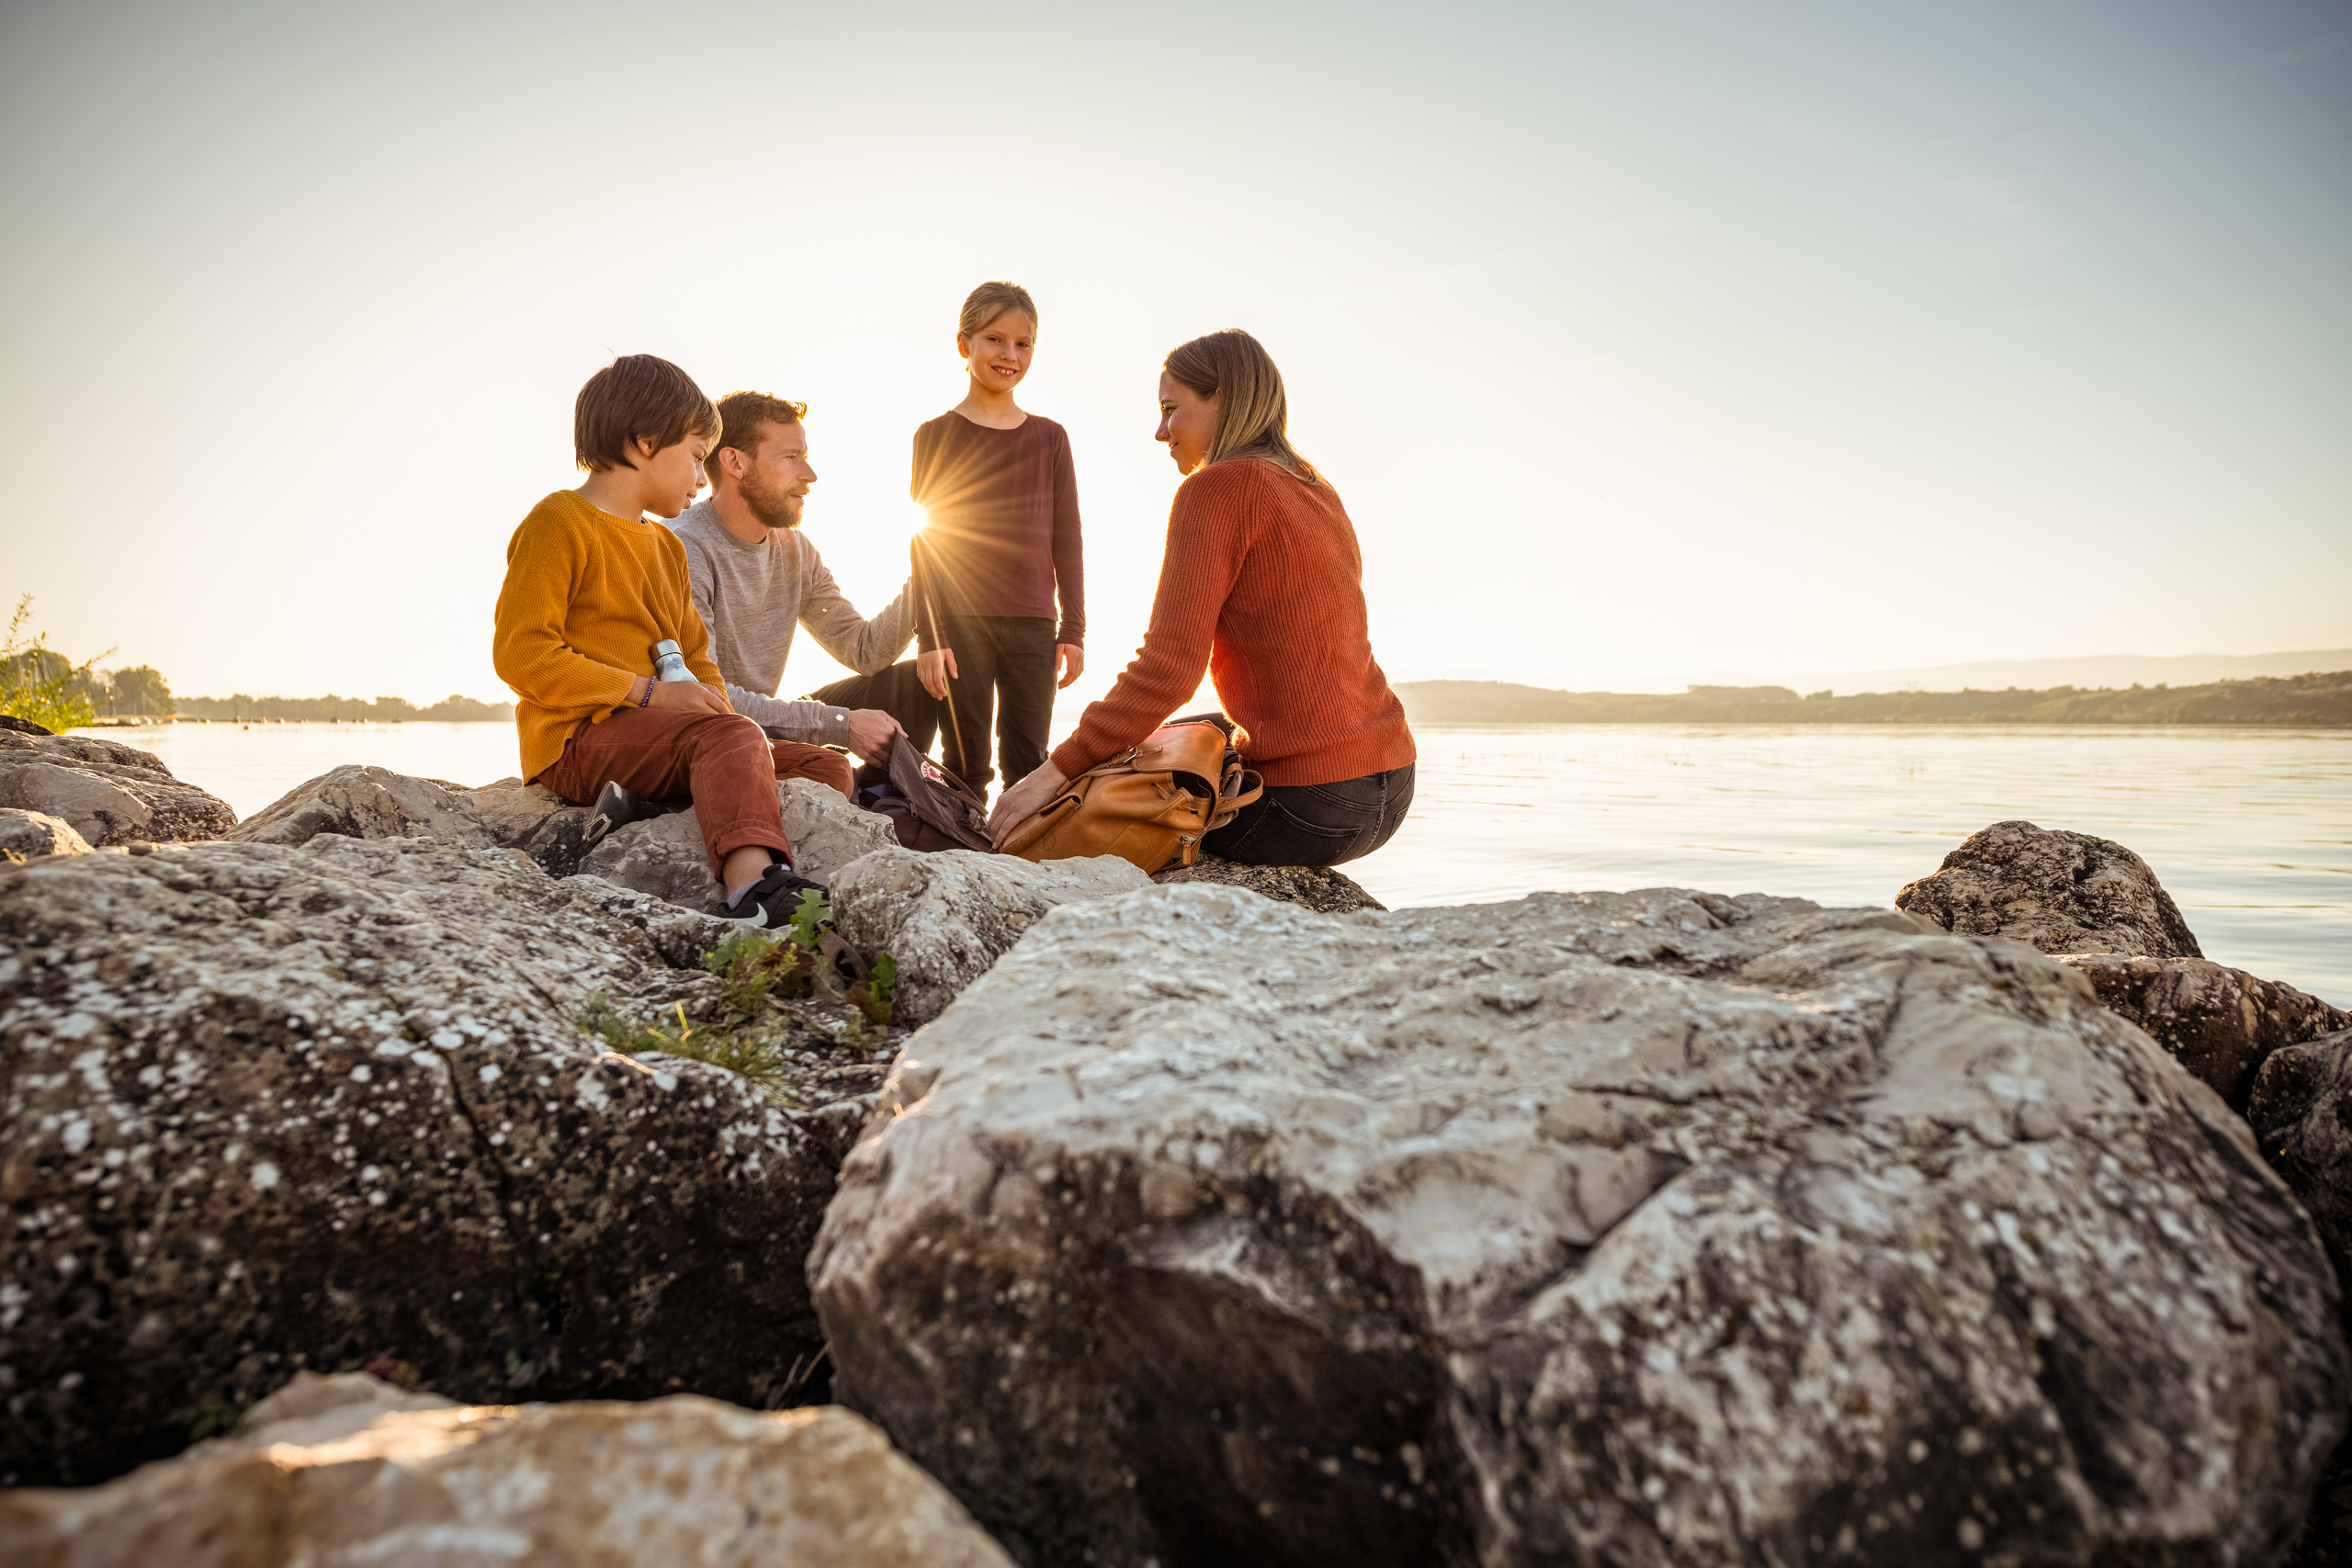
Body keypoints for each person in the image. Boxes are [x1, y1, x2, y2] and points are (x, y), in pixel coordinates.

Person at [987, 329, 1415, 867]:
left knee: (1108, 812)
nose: (1160, 431)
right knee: (1192, 732)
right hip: (1393, 784)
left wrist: (1052, 773)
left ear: (1225, 400)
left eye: (1171, 409)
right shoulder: (1315, 489)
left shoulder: (1215, 488)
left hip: (1314, 808)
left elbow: (1168, 669)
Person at [491, 354, 851, 928]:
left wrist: (724, 717)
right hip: (579, 739)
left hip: (659, 738)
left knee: (824, 768)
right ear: (644, 442)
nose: (703, 479)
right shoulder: (559, 521)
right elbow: (523, 655)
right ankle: (752, 890)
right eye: (696, 458)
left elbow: (697, 657)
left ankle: (651, 808)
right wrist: (652, 696)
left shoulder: (665, 548)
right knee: (729, 740)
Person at [668, 389, 934, 789]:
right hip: (716, 732)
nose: (810, 475)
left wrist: (929, 578)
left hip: (767, 725)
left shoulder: (795, 550)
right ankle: (845, 791)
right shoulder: (686, 548)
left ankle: (876, 800)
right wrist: (842, 726)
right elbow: (709, 696)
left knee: (921, 683)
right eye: (791, 457)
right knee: (829, 734)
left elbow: (864, 650)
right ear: (735, 462)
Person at [908, 281, 1086, 793]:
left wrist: (1072, 629)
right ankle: (968, 863)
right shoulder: (934, 435)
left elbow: (1067, 537)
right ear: (965, 345)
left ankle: (1021, 867)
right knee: (966, 764)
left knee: (1029, 763)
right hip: (961, 623)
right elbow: (926, 539)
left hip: (1034, 623)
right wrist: (930, 636)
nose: (1009, 354)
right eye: (994, 339)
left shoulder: (1050, 438)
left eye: (1022, 343)